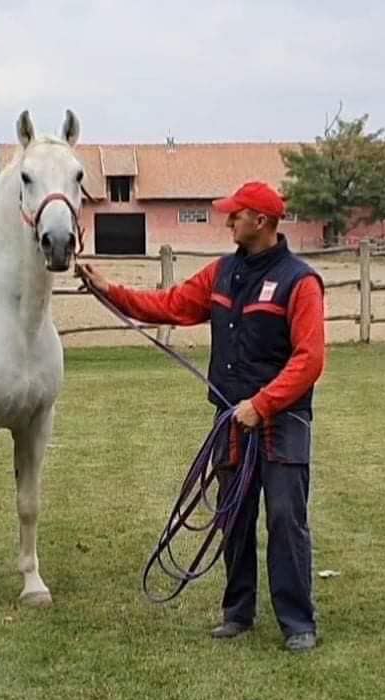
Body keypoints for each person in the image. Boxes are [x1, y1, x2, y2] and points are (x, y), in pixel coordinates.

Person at [77, 181, 325, 653]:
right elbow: (170, 305)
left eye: (236, 214)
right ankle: (238, 613)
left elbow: (309, 359)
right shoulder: (221, 274)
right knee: (234, 517)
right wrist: (110, 290)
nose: (228, 220)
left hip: (282, 423)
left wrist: (262, 405)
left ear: (262, 221)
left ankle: (297, 622)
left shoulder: (300, 282)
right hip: (232, 421)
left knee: (285, 519)